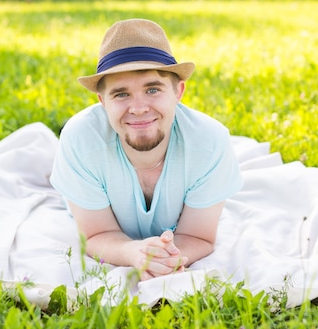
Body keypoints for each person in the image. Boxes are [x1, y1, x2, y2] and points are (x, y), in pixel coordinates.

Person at [50, 19, 243, 281]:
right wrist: (133, 253)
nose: (139, 108)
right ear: (102, 101)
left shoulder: (210, 143)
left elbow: (199, 237)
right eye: (121, 94)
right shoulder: (80, 140)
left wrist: (165, 259)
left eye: (152, 89)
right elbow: (95, 235)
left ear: (178, 92)